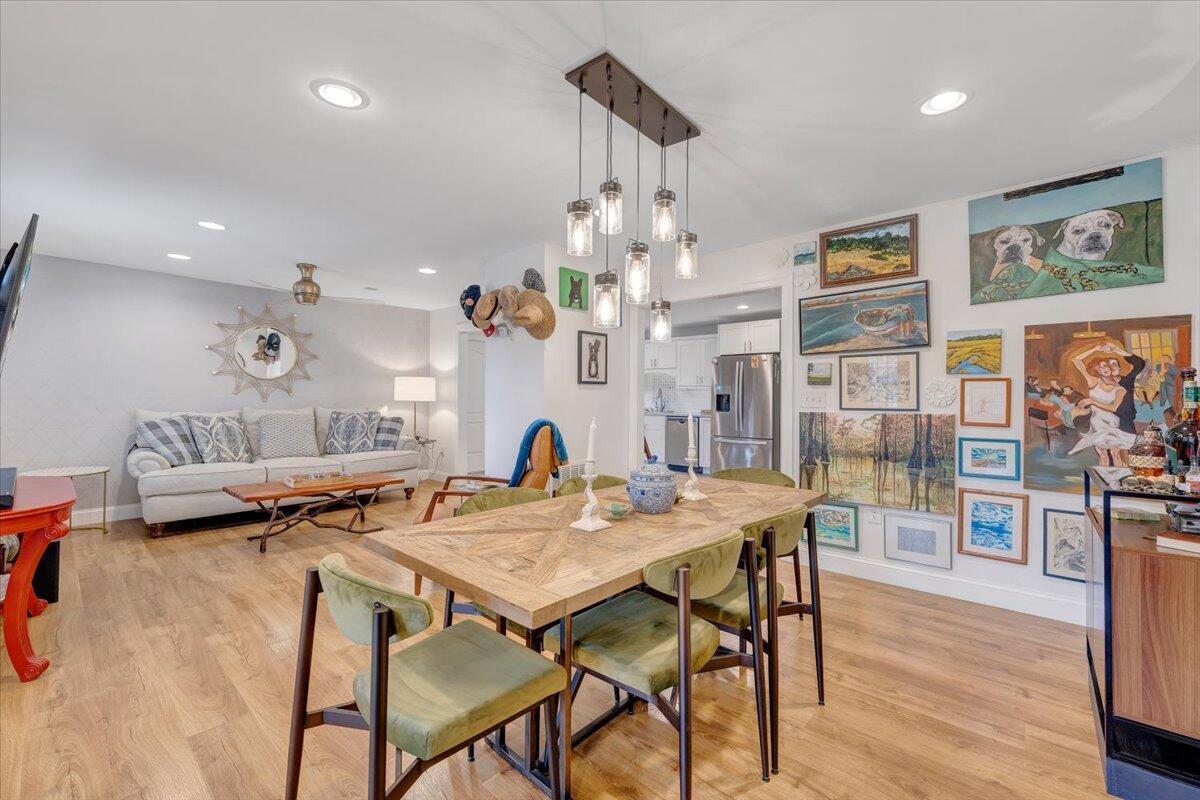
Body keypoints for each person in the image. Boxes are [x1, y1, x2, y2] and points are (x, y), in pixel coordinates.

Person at [1067, 343, 1138, 465]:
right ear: (1096, 371)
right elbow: (1076, 360)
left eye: (1105, 365)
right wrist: (1094, 348)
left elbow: (1114, 408)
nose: (1103, 368)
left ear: (1110, 367)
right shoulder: (1093, 382)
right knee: (1103, 453)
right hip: (1097, 421)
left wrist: (1093, 401)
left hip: (1112, 422)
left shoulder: (1120, 389)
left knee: (1116, 453)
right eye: (1099, 367)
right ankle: (1104, 478)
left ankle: (1119, 479)